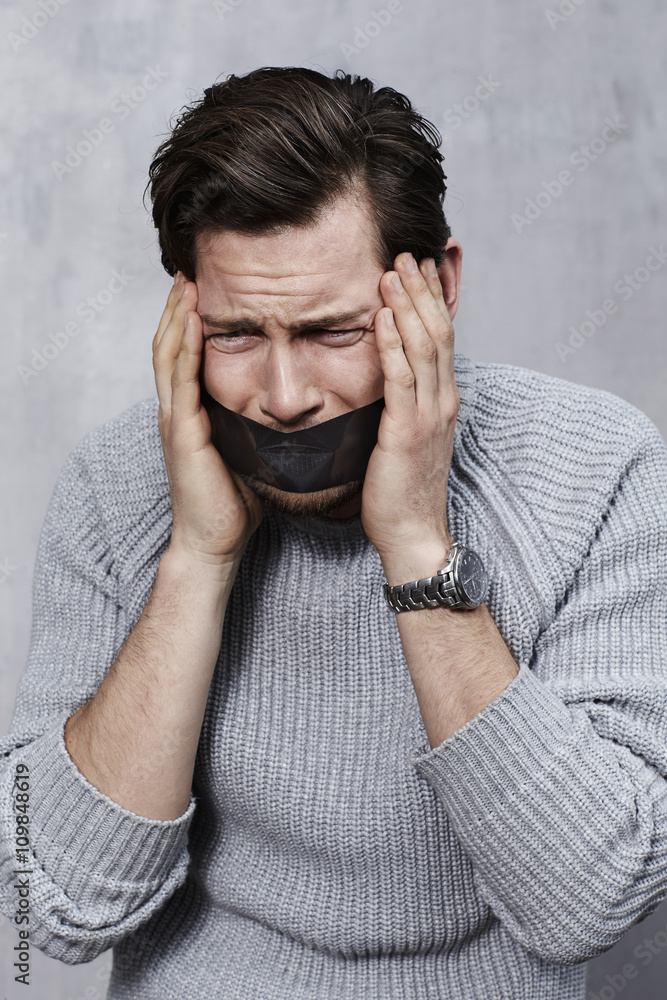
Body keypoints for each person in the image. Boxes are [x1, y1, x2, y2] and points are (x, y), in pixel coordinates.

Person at [2, 66, 667, 1000]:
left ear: (436, 287)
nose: (283, 399)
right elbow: (53, 905)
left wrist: (416, 545)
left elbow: (588, 902)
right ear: (184, 311)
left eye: (332, 331)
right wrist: (197, 556)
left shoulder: (598, 469)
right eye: (236, 334)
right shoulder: (116, 487)